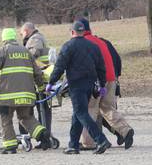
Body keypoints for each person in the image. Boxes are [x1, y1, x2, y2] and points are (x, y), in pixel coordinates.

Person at [0, 28, 51, 154]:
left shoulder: (2, 51)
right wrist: (41, 88)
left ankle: (10, 146)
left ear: (4, 39)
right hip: (27, 96)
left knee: (3, 118)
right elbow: (38, 73)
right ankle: (43, 134)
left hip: (7, 97)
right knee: (26, 117)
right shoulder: (26, 52)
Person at [46, 21, 111, 154]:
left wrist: (51, 82)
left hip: (76, 84)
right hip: (90, 83)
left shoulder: (68, 46)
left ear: (72, 32)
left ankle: (101, 139)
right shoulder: (93, 46)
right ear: (83, 31)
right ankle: (73, 145)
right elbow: (101, 67)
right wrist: (102, 84)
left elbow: (59, 66)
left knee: (81, 113)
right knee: (77, 113)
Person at [77, 18, 134, 150]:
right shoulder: (101, 41)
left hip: (97, 80)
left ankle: (88, 142)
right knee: (107, 108)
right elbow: (116, 60)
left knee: (90, 109)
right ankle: (125, 130)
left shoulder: (83, 43)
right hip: (111, 78)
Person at [20, 22, 54, 147]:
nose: (21, 35)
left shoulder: (35, 39)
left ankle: (43, 137)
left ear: (27, 30)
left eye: (22, 32)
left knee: (41, 109)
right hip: (40, 77)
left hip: (39, 78)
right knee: (43, 109)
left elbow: (33, 53)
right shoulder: (37, 37)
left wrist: (22, 56)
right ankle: (45, 136)